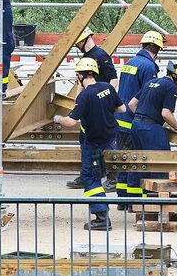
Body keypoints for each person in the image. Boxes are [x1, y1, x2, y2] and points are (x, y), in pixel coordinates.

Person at [53, 58, 125, 231]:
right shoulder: (107, 88)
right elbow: (121, 109)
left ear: (80, 76)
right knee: (99, 175)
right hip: (110, 140)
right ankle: (102, 213)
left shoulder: (85, 96)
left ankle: (101, 218)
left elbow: (70, 122)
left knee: (90, 178)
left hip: (93, 144)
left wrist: (57, 119)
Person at [125, 59, 177, 200]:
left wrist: (142, 116)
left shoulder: (150, 82)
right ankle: (158, 203)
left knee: (139, 164)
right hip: (151, 129)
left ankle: (134, 200)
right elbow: (166, 113)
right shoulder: (170, 87)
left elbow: (132, 104)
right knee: (160, 165)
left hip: (136, 125)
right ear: (176, 74)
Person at [114, 31, 163, 209]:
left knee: (123, 159)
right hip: (134, 119)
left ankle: (122, 198)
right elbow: (148, 94)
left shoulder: (129, 63)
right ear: (157, 49)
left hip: (120, 118)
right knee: (135, 160)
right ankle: (133, 199)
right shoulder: (149, 67)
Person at [66, 27, 119, 191]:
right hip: (91, 106)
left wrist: (107, 101)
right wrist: (77, 103)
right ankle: (87, 174)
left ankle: (112, 178)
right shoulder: (87, 58)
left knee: (107, 144)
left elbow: (114, 80)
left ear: (83, 40)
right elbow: (80, 83)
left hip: (100, 104)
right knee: (85, 140)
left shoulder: (100, 56)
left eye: (78, 44)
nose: (77, 47)